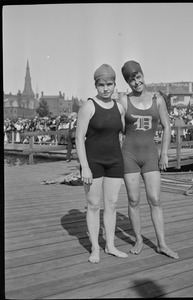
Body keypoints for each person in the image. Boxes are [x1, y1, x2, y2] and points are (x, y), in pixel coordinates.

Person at [118, 60, 178, 259]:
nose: (136, 83)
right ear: (127, 83)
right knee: (134, 200)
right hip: (129, 156)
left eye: (138, 77)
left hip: (151, 155)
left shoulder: (157, 99)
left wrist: (164, 153)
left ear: (143, 75)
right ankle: (138, 239)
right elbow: (118, 131)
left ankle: (161, 243)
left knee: (155, 199)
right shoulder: (124, 101)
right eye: (131, 80)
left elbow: (167, 127)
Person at [75, 64, 128, 263]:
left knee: (112, 204)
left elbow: (122, 135)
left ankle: (111, 245)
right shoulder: (88, 106)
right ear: (95, 85)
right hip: (93, 162)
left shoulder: (119, 107)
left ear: (115, 84)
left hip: (115, 161)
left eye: (109, 84)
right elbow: (79, 139)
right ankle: (95, 248)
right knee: (94, 204)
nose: (106, 88)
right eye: (101, 85)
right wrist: (85, 166)